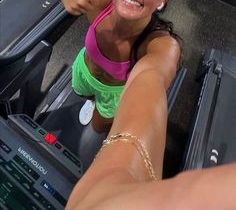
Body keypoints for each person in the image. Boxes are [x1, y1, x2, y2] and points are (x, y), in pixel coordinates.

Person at [30, 0, 181, 133]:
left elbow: (160, 70)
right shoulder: (102, 0)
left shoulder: (158, 43)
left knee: (98, 127)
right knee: (81, 92)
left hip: (112, 94)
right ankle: (91, 100)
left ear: (162, 1)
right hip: (84, 71)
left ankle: (98, 104)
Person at [65, 50, 236, 210]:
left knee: (101, 121)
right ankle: (97, 102)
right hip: (91, 65)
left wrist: (158, 64)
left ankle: (106, 108)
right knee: (85, 90)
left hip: (118, 86)